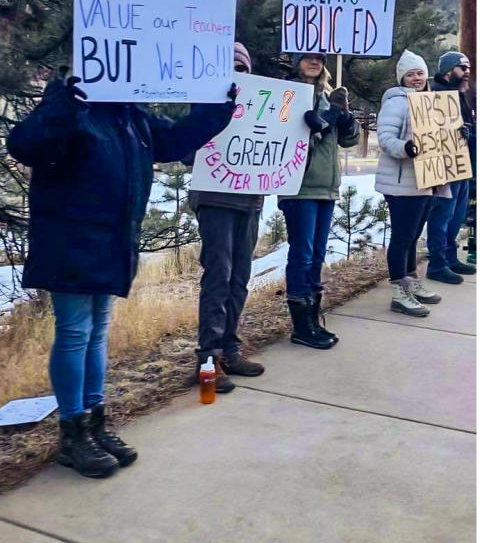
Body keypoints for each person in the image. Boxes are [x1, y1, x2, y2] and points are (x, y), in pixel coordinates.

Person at [8, 73, 235, 478]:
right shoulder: (72, 101)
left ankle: (94, 422)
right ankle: (72, 433)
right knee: (75, 332)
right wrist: (64, 104)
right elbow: (25, 144)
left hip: (110, 243)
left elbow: (176, 141)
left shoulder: (132, 113)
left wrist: (216, 107)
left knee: (96, 332)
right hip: (71, 241)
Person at [187, 42, 265, 395]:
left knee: (240, 279)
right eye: (231, 65)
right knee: (218, 277)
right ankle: (207, 361)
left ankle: (230, 350)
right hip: (216, 199)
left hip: (250, 201)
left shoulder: (263, 108)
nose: (238, 71)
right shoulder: (205, 103)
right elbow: (186, 152)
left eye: (243, 66)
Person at [278, 52, 360, 348]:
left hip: (326, 186)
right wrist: (323, 120)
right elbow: (284, 131)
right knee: (302, 253)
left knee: (316, 255)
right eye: (308, 57)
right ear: (297, 61)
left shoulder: (328, 94)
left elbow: (348, 139)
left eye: (319, 58)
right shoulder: (286, 93)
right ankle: (301, 325)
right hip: (299, 185)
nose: (315, 62)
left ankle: (312, 318)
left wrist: (345, 116)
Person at [375, 50, 448, 317]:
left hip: (426, 180)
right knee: (402, 237)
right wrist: (407, 147)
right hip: (401, 181)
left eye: (420, 73)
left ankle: (411, 281)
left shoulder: (432, 101)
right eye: (411, 74)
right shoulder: (396, 102)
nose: (417, 78)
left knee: (414, 236)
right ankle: (398, 291)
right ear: (401, 79)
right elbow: (385, 138)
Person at [425, 51, 476, 285]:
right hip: (444, 165)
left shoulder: (459, 94)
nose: (467, 72)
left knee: (456, 216)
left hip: (461, 162)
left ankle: (450, 257)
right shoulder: (436, 94)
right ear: (448, 70)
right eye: (462, 67)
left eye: (467, 67)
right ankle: (437, 264)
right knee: (442, 215)